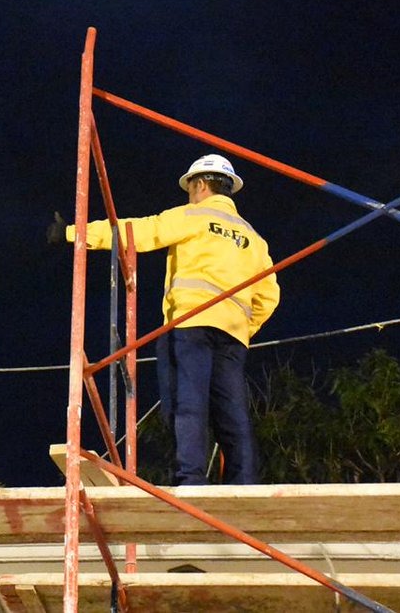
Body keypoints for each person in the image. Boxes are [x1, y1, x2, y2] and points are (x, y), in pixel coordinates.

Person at [48, 154, 280, 485]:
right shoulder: (253, 238)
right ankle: (243, 484)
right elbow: (269, 295)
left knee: (188, 404)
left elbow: (136, 233)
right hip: (233, 335)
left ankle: (192, 481)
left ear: (200, 185)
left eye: (191, 188)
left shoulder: (193, 216)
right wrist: (242, 326)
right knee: (232, 413)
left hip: (190, 324)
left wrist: (72, 232)